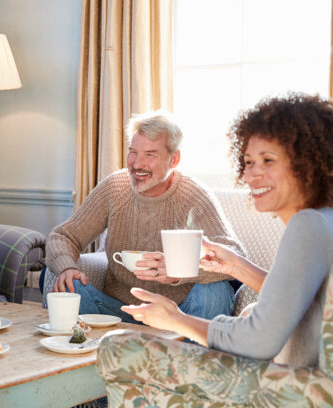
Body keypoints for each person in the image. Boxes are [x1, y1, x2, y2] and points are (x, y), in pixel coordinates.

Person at [99, 93, 333, 405]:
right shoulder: (323, 220)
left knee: (116, 346)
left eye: (269, 160)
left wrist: (175, 319)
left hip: (300, 392)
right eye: (248, 162)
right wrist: (236, 266)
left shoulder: (308, 225)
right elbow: (306, 302)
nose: (252, 173)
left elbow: (258, 341)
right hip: (306, 382)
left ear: (306, 163)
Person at [46, 110, 243, 322]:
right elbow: (64, 236)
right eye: (133, 152)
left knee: (217, 291)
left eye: (150, 154)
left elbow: (234, 255)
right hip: (117, 312)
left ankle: (188, 354)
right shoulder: (115, 187)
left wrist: (180, 271)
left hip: (180, 317)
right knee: (69, 285)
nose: (137, 164)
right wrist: (67, 268)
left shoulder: (193, 195)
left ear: (174, 159)